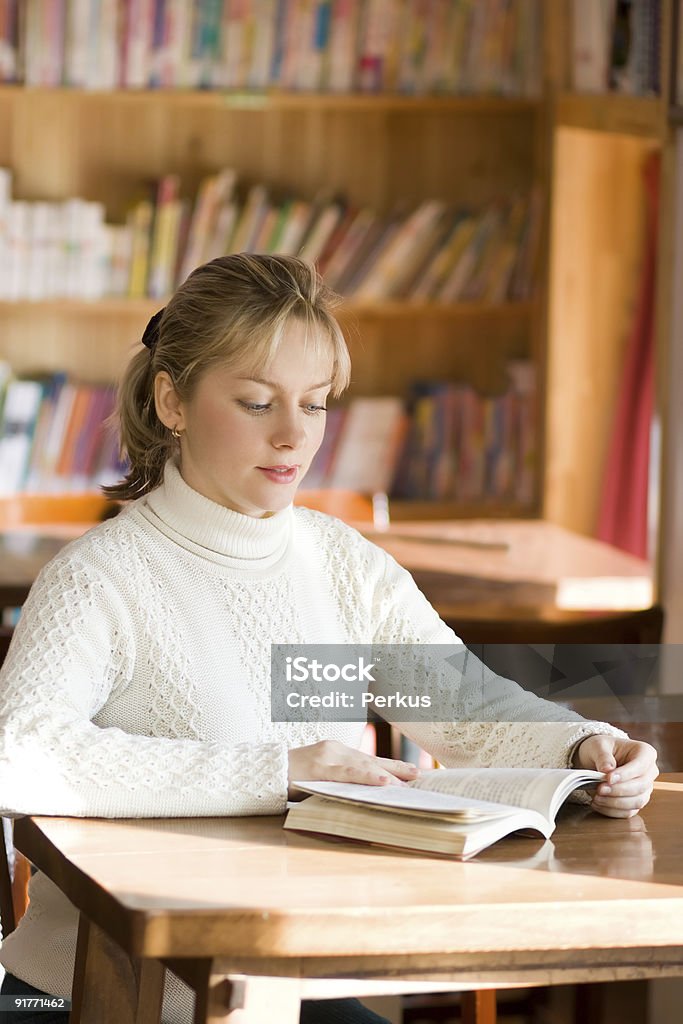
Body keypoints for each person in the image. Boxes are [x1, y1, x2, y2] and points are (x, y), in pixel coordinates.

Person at [0, 254, 658, 1024]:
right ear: (171, 399)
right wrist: (278, 769)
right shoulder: (101, 577)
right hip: (103, 987)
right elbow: (19, 753)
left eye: (313, 406)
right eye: (255, 402)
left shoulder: (342, 565)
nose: (290, 436)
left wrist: (584, 747)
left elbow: (468, 710)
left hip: (284, 980)